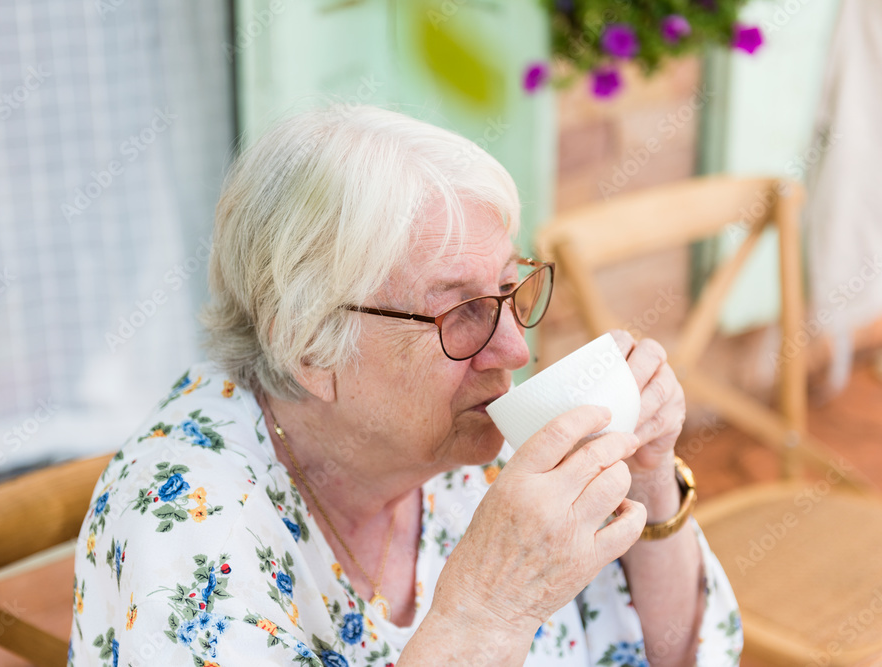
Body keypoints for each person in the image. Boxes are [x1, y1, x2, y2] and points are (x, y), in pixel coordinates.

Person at [68, 105, 742, 666]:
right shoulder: (185, 525)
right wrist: (484, 613)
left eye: (508, 289)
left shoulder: (467, 448)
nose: (515, 348)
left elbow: (681, 652)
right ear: (307, 344)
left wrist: (652, 482)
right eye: (459, 312)